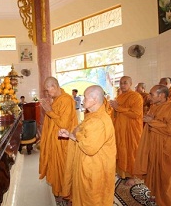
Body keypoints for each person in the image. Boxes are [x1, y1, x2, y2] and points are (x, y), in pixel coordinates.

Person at [59, 85, 116, 206]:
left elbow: (89, 148)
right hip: (87, 164)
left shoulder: (98, 121)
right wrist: (70, 134)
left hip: (95, 169)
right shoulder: (92, 116)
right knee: (83, 194)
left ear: (94, 99)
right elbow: (83, 136)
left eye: (85, 98)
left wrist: (76, 134)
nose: (83, 100)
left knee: (92, 199)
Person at [134, 84, 171, 206]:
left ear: (162, 95)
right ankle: (157, 194)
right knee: (156, 173)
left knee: (167, 178)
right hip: (154, 147)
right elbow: (153, 124)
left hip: (168, 149)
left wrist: (152, 121)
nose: (149, 96)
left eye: (152, 94)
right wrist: (151, 120)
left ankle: (169, 202)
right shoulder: (154, 106)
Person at [39, 77, 78, 205]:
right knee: (56, 166)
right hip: (55, 139)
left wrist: (49, 111)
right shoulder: (57, 99)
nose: (47, 93)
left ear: (54, 86)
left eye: (47, 90)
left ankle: (68, 194)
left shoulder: (66, 100)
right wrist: (50, 109)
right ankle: (60, 191)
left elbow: (63, 123)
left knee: (64, 167)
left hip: (63, 140)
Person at [109, 76, 143, 186]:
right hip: (120, 130)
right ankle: (122, 173)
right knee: (121, 150)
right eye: (121, 83)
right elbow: (116, 113)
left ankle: (132, 175)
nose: (122, 85)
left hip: (131, 130)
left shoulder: (136, 97)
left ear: (131, 84)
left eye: (125, 83)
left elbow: (136, 114)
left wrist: (118, 108)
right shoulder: (120, 97)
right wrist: (113, 109)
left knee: (131, 151)